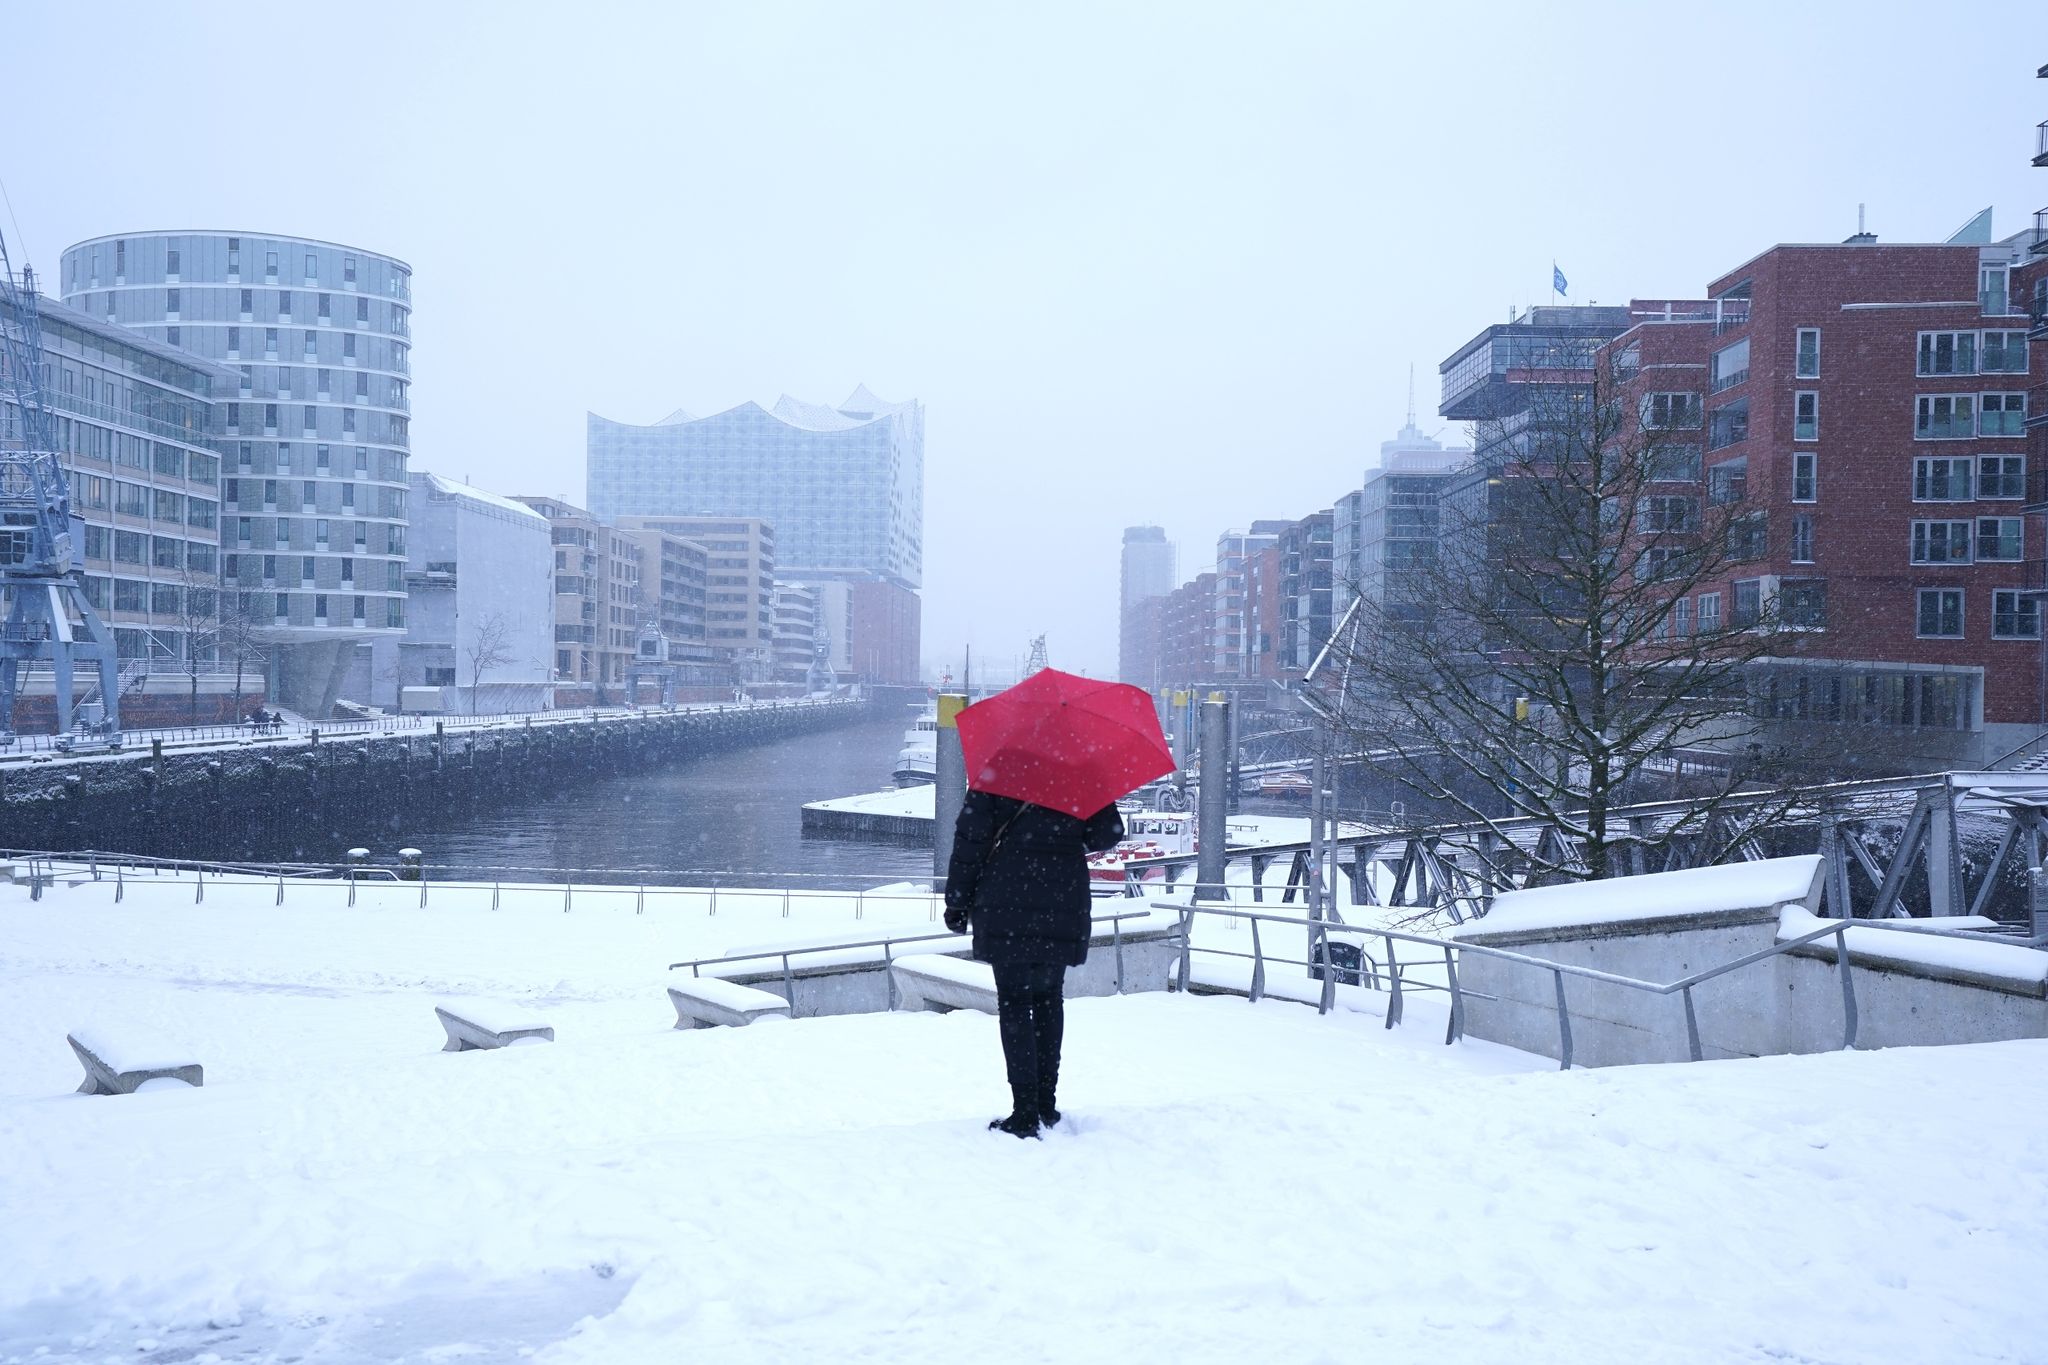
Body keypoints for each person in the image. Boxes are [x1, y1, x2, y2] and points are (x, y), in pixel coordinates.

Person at [943, 789, 1125, 1138]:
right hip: (1062, 897)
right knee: (1048, 999)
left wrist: (957, 903)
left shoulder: (995, 774)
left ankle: (1024, 1110)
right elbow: (1108, 833)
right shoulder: (1077, 772)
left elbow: (970, 844)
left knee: (1014, 1003)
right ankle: (1045, 1104)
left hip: (1005, 898)